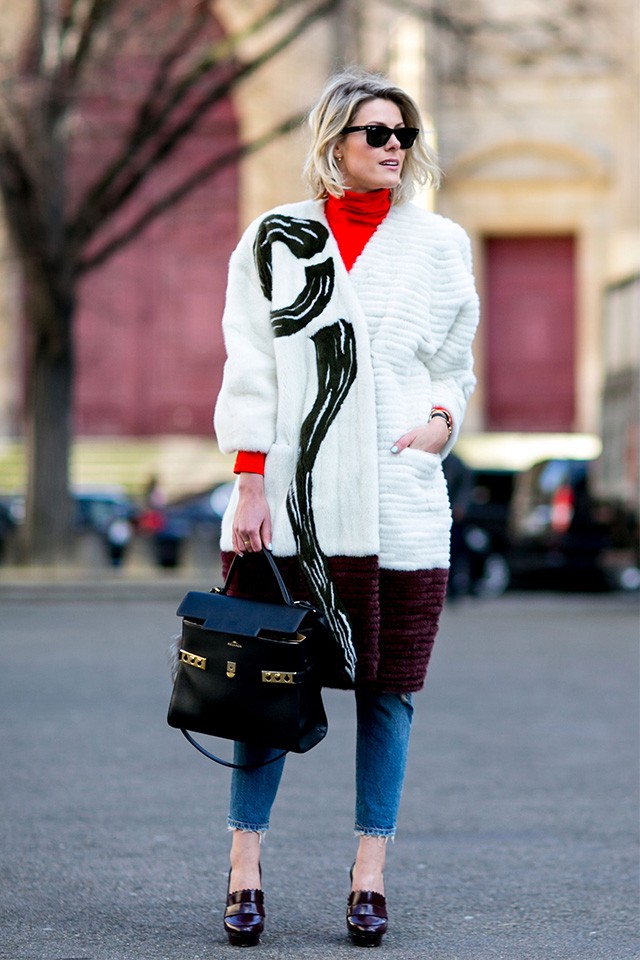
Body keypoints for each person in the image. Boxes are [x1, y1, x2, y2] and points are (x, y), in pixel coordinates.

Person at [213, 67, 479, 947]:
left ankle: (370, 875)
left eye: (404, 133)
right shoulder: (276, 239)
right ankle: (244, 867)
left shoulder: (438, 245)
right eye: (377, 132)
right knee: (263, 683)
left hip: (400, 502)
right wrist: (250, 478)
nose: (395, 146)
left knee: (390, 691)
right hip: (295, 500)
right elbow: (251, 364)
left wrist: (441, 422)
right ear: (335, 143)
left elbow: (452, 365)